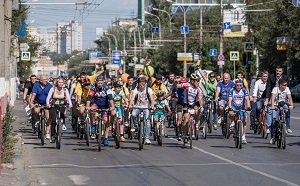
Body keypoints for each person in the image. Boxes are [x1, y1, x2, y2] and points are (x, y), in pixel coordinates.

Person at [86, 76, 115, 145]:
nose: (99, 84)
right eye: (98, 83)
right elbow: (89, 98)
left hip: (105, 105)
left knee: (106, 120)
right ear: (96, 82)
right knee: (92, 109)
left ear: (103, 82)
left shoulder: (107, 88)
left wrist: (112, 106)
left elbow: (110, 98)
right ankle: (93, 124)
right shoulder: (93, 88)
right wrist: (87, 106)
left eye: (101, 83)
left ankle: (105, 138)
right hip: (97, 104)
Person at [177, 73, 204, 141]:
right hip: (186, 104)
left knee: (197, 111)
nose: (198, 82)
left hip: (195, 103)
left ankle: (197, 123)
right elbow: (177, 85)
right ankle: (185, 135)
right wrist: (175, 82)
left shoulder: (199, 89)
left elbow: (200, 99)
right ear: (192, 81)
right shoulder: (187, 85)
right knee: (186, 119)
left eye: (199, 81)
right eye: (197, 81)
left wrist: (201, 106)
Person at [264, 65, 291, 132]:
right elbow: (268, 87)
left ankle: (287, 127)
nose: (278, 72)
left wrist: (288, 100)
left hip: (282, 95)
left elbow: (288, 89)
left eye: (279, 71)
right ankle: (268, 126)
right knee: (269, 109)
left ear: (282, 72)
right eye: (277, 71)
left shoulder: (285, 77)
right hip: (273, 94)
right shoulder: (271, 77)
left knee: (287, 110)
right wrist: (267, 99)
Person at [129, 77, 155, 145]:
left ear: (145, 85)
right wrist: (130, 105)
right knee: (133, 114)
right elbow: (132, 98)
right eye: (140, 85)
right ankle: (136, 126)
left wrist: (152, 105)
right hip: (137, 106)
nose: (141, 87)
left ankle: (147, 138)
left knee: (147, 121)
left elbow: (152, 99)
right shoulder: (136, 89)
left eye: (143, 86)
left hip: (146, 107)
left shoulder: (149, 90)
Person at [46, 77, 72, 142]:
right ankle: (52, 135)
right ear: (57, 83)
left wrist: (70, 104)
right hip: (53, 105)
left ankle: (62, 124)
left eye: (62, 82)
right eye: (59, 82)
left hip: (62, 104)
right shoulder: (53, 89)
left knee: (63, 113)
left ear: (63, 83)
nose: (60, 84)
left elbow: (68, 98)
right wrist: (48, 104)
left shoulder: (65, 90)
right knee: (53, 120)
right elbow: (48, 97)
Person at [270, 78, 294, 144]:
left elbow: (289, 97)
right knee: (274, 120)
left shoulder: (287, 89)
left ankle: (287, 127)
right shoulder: (275, 89)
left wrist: (291, 105)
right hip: (276, 105)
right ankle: (273, 137)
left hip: (284, 104)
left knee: (287, 110)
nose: (285, 86)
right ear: (280, 85)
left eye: (285, 85)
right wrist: (272, 106)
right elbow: (272, 98)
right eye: (283, 85)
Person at [228, 78, 251, 144]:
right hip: (234, 106)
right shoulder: (232, 90)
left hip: (241, 107)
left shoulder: (244, 91)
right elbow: (230, 100)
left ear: (242, 85)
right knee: (231, 114)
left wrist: (248, 107)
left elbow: (247, 99)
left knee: (244, 120)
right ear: (235, 85)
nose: (238, 87)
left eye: (240, 85)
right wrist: (230, 108)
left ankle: (243, 136)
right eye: (237, 85)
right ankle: (232, 123)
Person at [30, 75, 53, 140]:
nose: (46, 80)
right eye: (44, 79)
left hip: (47, 103)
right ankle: (37, 121)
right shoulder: (36, 85)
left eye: (46, 79)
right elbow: (34, 94)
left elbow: (52, 95)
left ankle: (47, 133)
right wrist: (31, 103)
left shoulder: (49, 86)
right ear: (40, 80)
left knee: (48, 117)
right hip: (38, 102)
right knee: (36, 111)